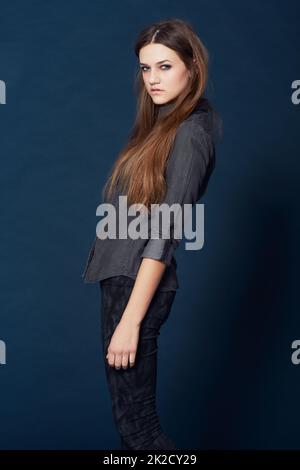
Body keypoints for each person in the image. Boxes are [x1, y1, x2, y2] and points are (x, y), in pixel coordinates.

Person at [82, 18, 221, 450]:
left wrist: (130, 321)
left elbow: (164, 232)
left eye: (165, 66)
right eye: (146, 68)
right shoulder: (163, 126)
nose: (153, 79)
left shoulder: (192, 132)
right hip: (123, 281)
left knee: (138, 427)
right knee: (132, 423)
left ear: (192, 67)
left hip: (136, 289)